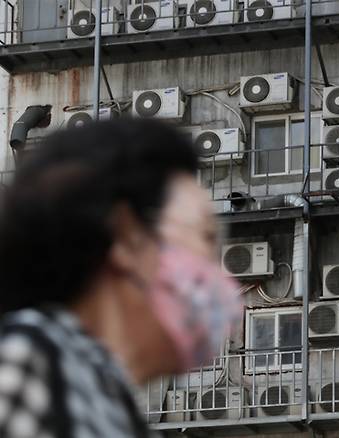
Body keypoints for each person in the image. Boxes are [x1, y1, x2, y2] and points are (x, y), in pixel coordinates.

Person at [0, 119, 241, 438]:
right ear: (127, 237)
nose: (222, 275)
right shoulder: (29, 365)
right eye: (207, 238)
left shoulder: (100, 397)